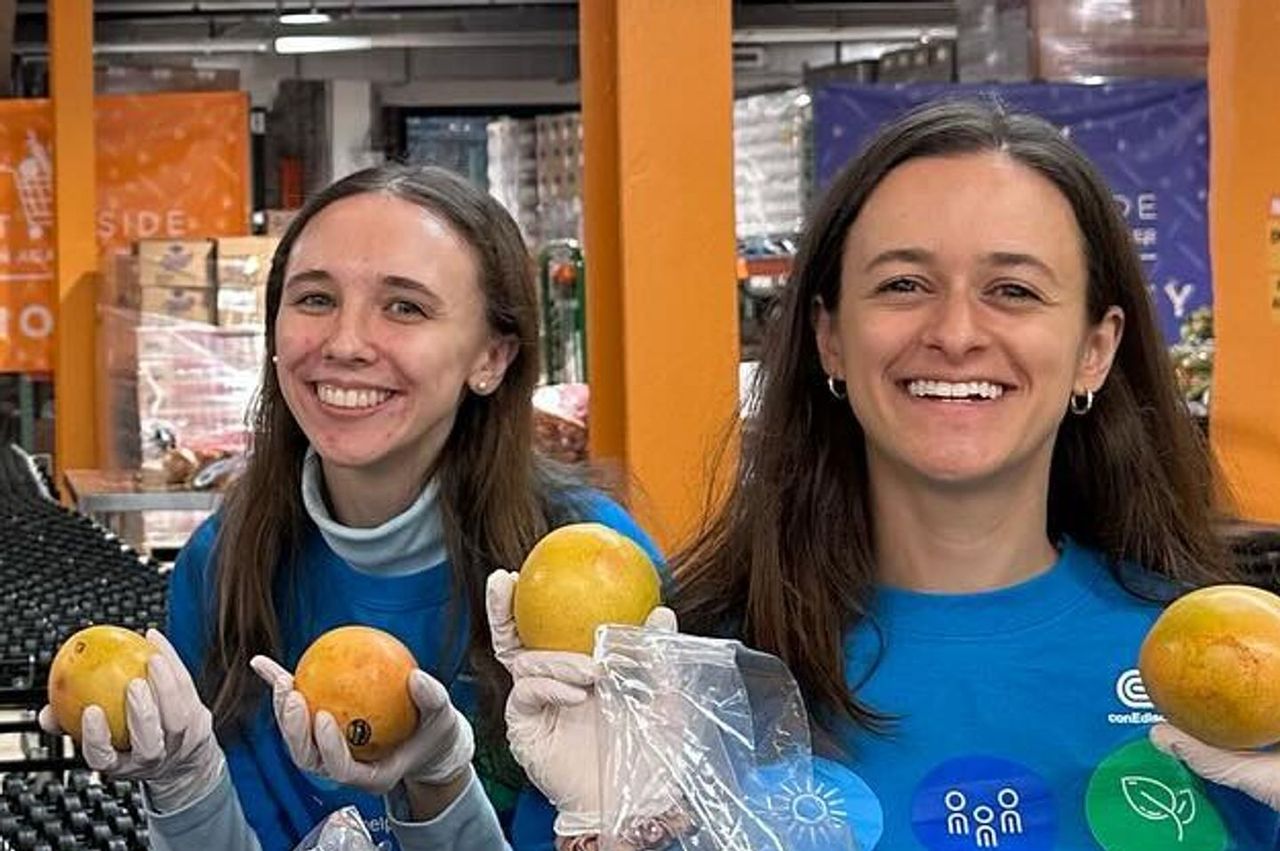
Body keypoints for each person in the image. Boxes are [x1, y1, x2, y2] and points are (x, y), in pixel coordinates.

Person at [487, 99, 1280, 850]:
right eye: (904, 284)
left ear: (1094, 349)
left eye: (1014, 290)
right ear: (830, 336)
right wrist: (601, 816)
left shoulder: (1235, 672)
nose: (957, 332)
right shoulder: (684, 674)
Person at [39, 164, 660, 851]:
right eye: (313, 298)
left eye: (405, 307)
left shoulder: (590, 568)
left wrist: (438, 785)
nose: (344, 343)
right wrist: (185, 783)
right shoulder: (225, 562)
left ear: (492, 355)